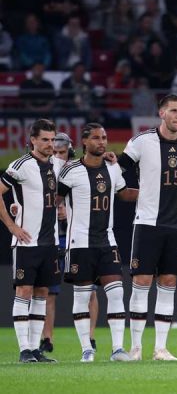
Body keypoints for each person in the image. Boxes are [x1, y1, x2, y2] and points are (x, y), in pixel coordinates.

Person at [119, 94, 177, 360]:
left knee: (169, 282)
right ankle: (135, 348)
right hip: (147, 223)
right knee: (141, 282)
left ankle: (160, 348)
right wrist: (134, 192)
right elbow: (118, 169)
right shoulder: (141, 141)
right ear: (161, 113)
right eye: (174, 111)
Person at [56, 123, 139, 362]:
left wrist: (152, 192)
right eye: (95, 138)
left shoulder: (112, 168)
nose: (101, 142)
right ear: (84, 142)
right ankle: (87, 349)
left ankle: (117, 349)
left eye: (104, 137)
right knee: (82, 296)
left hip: (107, 241)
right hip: (79, 243)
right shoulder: (70, 170)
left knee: (116, 293)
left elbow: (124, 194)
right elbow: (54, 199)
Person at [0, 119, 64, 363]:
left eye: (52, 139)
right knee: (24, 291)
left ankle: (36, 349)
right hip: (27, 243)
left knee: (42, 292)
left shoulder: (58, 165)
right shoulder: (21, 165)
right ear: (33, 140)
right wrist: (11, 225)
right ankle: (24, 349)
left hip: (49, 244)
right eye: (45, 140)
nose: (50, 144)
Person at [39, 133, 80, 354]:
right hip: (52, 237)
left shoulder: (79, 170)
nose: (58, 157)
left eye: (62, 153)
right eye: (54, 153)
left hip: (77, 237)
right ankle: (47, 338)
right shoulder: (44, 171)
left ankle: (89, 340)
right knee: (48, 292)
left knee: (87, 289)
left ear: (70, 152)